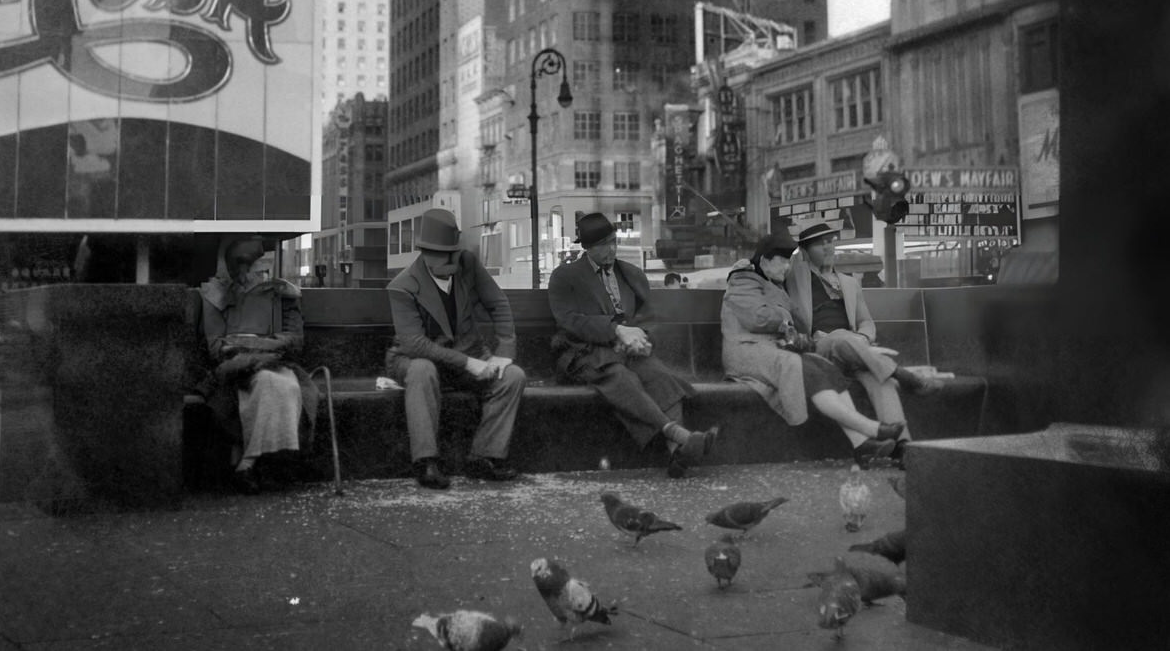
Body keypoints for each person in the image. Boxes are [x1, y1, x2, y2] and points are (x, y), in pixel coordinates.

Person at [547, 212, 719, 478]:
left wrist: (640, 336)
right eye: (604, 245)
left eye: (614, 242)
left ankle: (678, 454)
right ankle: (680, 435)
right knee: (620, 378)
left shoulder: (630, 274)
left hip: (629, 350)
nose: (612, 249)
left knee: (661, 377)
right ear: (588, 248)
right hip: (584, 353)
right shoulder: (565, 277)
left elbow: (648, 315)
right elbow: (570, 321)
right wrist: (616, 330)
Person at [721, 225, 903, 467]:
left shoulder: (774, 284)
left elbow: (787, 323)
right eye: (782, 263)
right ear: (764, 261)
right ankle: (870, 428)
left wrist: (796, 334)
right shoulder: (743, 279)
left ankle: (860, 444)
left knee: (823, 367)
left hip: (772, 350)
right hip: (746, 351)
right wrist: (786, 321)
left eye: (789, 263)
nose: (787, 268)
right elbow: (758, 317)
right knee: (796, 365)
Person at [385, 208, 526, 490]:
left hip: (470, 355)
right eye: (439, 253)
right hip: (415, 359)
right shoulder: (402, 287)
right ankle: (426, 462)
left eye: (451, 252)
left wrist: (504, 352)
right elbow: (415, 344)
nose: (449, 261)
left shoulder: (468, 263)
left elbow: (498, 304)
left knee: (513, 376)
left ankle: (484, 457)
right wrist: (467, 363)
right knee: (422, 371)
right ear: (424, 252)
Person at [786, 221, 940, 467]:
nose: (827, 246)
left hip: (854, 349)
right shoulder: (797, 277)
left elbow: (866, 322)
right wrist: (799, 253)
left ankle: (903, 447)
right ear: (805, 251)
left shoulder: (849, 283)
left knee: (880, 379)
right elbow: (789, 258)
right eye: (819, 244)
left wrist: (862, 338)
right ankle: (900, 372)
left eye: (830, 241)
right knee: (837, 336)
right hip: (820, 349)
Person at [199, 235, 318, 493]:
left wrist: (250, 345)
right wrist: (262, 349)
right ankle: (263, 462)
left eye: (251, 263)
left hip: (277, 366)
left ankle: (247, 461)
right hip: (235, 371)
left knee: (283, 386)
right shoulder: (215, 295)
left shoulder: (284, 295)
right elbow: (217, 347)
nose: (244, 272)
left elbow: (295, 340)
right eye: (238, 263)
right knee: (270, 385)